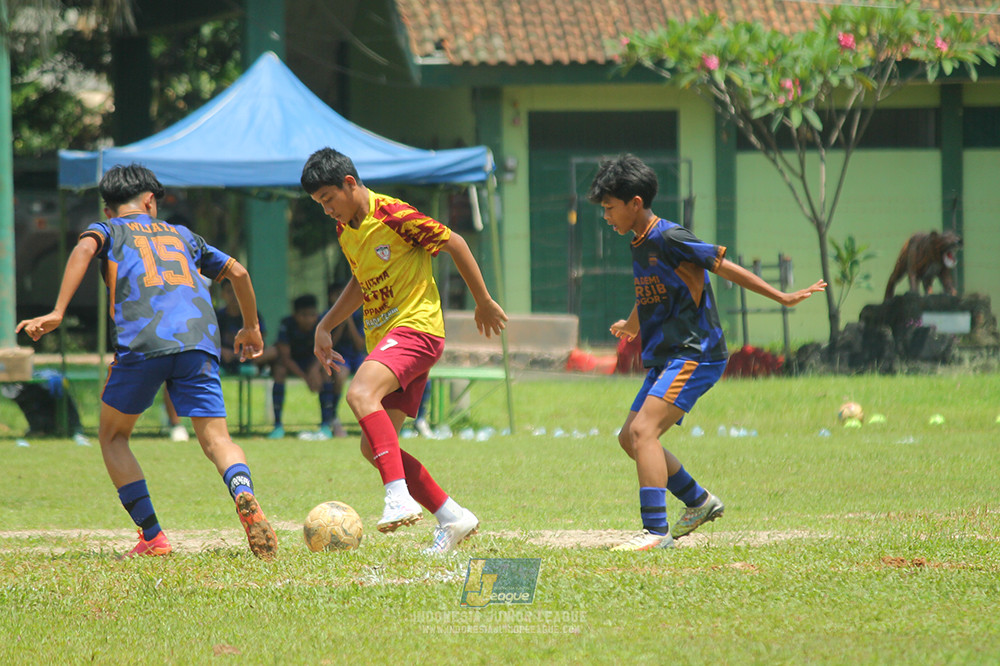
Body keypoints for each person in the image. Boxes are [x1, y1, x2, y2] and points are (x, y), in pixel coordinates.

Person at [16, 164, 278, 560]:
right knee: (218, 440)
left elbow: (83, 248)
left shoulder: (108, 230)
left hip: (143, 342)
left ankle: (153, 537)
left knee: (113, 436)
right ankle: (242, 491)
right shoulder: (183, 235)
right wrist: (251, 328)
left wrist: (57, 311)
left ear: (108, 210)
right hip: (198, 341)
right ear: (151, 200)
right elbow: (237, 271)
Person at [587, 154, 827, 551]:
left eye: (610, 208)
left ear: (634, 203)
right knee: (630, 439)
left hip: (696, 352)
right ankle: (698, 501)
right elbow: (652, 289)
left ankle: (655, 532)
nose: (606, 217)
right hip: (668, 355)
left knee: (644, 432)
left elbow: (724, 266)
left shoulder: (670, 237)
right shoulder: (639, 242)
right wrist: (633, 323)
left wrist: (781, 295)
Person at [301, 147, 508, 554]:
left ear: (348, 184)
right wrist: (327, 324)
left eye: (328, 200)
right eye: (319, 205)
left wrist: (482, 300)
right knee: (372, 446)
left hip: (417, 329)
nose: (327, 210)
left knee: (360, 393)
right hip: (388, 340)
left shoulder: (394, 215)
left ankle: (397, 496)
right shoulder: (346, 231)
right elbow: (362, 282)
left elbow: (456, 243)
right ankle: (452, 516)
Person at [269, 293, 339, 440]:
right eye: (304, 315)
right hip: (293, 362)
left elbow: (325, 351)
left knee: (326, 372)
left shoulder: (321, 323)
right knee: (279, 370)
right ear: (295, 315)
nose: (309, 319)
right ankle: (277, 426)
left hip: (314, 360)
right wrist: (306, 377)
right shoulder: (286, 324)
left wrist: (314, 370)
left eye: (312, 315)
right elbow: (285, 356)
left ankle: (326, 425)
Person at [325, 280, 367, 437]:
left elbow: (359, 345)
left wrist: (347, 318)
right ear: (330, 297)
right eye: (337, 295)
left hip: (355, 356)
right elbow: (330, 343)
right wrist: (340, 321)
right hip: (338, 356)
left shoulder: (357, 316)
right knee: (340, 376)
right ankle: (333, 416)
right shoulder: (326, 316)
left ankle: (369, 419)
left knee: (372, 376)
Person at [216, 279, 277, 377]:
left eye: (237, 290)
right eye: (229, 291)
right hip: (222, 360)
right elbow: (208, 340)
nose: (234, 295)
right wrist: (222, 351)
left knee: (274, 351)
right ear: (222, 294)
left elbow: (261, 339)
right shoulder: (218, 316)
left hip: (248, 360)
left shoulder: (252, 315)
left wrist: (248, 352)